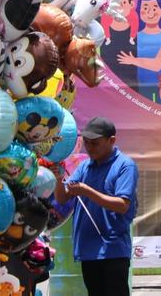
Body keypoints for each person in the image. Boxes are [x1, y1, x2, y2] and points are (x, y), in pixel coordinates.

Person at [52, 117, 138, 296]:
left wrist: (87, 191)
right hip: (88, 250)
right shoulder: (84, 167)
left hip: (113, 250)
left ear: (111, 140)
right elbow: (62, 198)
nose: (89, 148)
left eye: (95, 143)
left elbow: (122, 205)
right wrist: (59, 178)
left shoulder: (125, 165)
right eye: (87, 143)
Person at [116, 0, 161, 102]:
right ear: (139, 10)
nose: (150, 12)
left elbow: (158, 64)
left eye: (155, 8)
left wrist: (132, 60)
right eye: (145, 7)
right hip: (134, 88)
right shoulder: (133, 35)